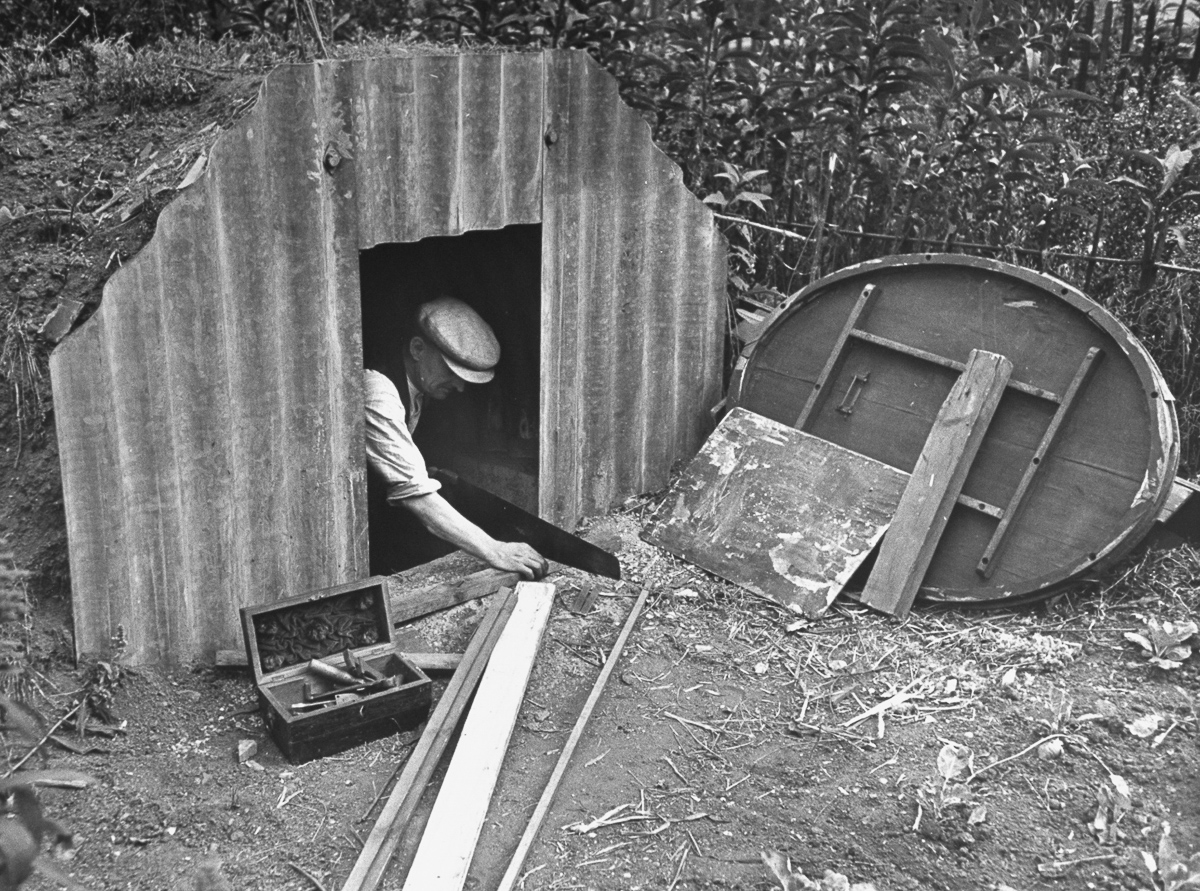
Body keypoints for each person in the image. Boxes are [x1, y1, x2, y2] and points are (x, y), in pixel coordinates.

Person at [364, 296, 548, 580]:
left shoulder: (419, 382)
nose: (460, 387)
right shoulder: (377, 390)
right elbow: (416, 496)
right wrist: (494, 550)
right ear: (417, 348)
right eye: (452, 371)